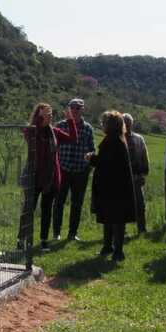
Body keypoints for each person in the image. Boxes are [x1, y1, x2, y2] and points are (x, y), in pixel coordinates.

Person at [17, 103, 79, 251]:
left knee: (46, 210)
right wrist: (40, 119)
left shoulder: (55, 132)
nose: (50, 116)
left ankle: (43, 241)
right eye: (47, 114)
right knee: (28, 209)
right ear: (39, 115)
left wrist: (70, 120)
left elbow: (72, 138)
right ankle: (21, 239)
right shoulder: (32, 131)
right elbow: (29, 133)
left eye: (51, 114)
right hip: (33, 177)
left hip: (50, 178)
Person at [87, 110, 136, 261]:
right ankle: (108, 247)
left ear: (110, 125)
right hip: (115, 186)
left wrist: (92, 158)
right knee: (110, 217)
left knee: (116, 219)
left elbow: (106, 163)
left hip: (114, 187)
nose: (102, 124)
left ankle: (118, 251)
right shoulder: (116, 139)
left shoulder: (112, 141)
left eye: (104, 122)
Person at [53, 98, 96, 242]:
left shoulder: (88, 128)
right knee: (59, 202)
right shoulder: (60, 125)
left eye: (78, 108)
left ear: (82, 110)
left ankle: (72, 233)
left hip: (80, 171)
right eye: (73, 108)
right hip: (63, 169)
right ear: (68, 109)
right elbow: (53, 148)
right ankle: (56, 233)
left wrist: (88, 168)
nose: (75, 110)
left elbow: (92, 149)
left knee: (77, 203)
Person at [123, 113, 149, 235]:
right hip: (121, 178)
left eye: (129, 123)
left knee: (140, 205)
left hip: (137, 176)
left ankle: (142, 229)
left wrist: (144, 173)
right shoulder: (117, 138)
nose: (127, 125)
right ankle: (121, 231)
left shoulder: (139, 139)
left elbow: (144, 156)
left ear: (132, 124)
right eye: (124, 123)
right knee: (122, 205)